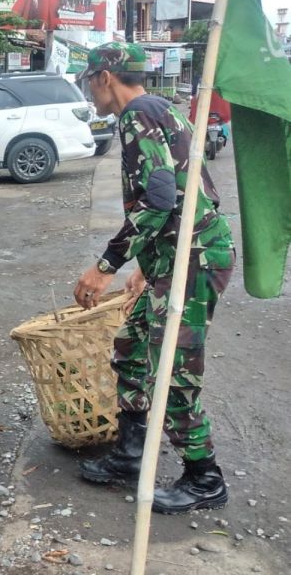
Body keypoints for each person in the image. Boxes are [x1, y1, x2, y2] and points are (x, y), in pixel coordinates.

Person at [72, 43, 236, 514]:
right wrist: (146, 266)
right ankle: (131, 451)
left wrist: (106, 266)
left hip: (195, 259)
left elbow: (159, 199)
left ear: (105, 76)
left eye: (90, 79)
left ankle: (205, 477)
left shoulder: (136, 115)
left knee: (174, 367)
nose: (89, 87)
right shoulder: (163, 109)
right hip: (177, 256)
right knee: (133, 344)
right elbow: (189, 189)